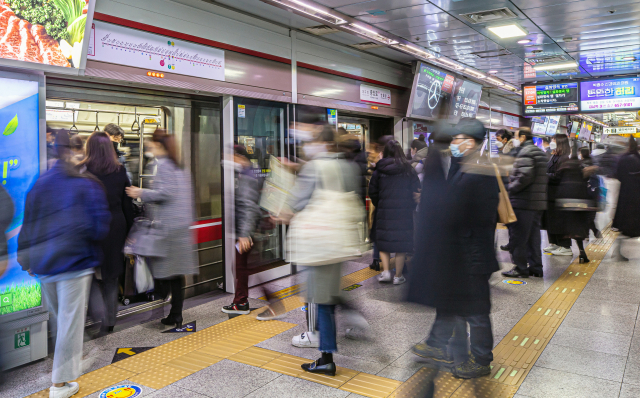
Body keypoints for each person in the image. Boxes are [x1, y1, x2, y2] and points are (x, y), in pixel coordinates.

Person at [18, 131, 111, 398]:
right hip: (74, 263)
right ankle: (59, 383)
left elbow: (28, 223)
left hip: (44, 265)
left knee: (61, 321)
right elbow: (98, 226)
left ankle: (65, 371)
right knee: (69, 323)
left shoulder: (40, 182)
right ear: (74, 151)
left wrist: (26, 259)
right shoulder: (85, 183)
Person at [409, 118, 499, 379]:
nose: (453, 144)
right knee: (450, 302)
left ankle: (481, 360)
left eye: (458, 139)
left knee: (477, 310)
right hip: (463, 250)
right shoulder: (466, 167)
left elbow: (464, 211)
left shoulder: (477, 172)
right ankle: (437, 344)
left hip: (473, 253)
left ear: (470, 142)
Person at [283, 124, 362, 376]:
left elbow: (296, 201)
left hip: (318, 242)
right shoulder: (347, 166)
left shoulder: (315, 167)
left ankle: (326, 356)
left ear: (322, 143)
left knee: (322, 299)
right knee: (329, 293)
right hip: (338, 240)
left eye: (312, 141)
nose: (308, 145)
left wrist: (283, 207)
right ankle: (353, 318)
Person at [126, 129, 197, 327]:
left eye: (151, 146)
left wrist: (140, 192)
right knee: (175, 275)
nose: (150, 149)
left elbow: (166, 193)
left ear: (160, 146)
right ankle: (175, 314)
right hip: (180, 228)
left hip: (170, 230)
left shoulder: (165, 166)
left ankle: (173, 313)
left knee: (166, 272)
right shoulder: (180, 166)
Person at [79, 132, 134, 334]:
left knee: (90, 274)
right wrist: (129, 231)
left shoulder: (82, 170)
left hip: (89, 227)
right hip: (115, 227)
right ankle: (109, 321)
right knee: (111, 276)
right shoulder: (119, 170)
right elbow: (128, 204)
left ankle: (94, 314)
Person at [368, 140, 420, 285]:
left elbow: (372, 191)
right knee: (401, 244)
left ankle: (385, 273)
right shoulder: (408, 169)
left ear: (385, 153)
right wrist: (408, 205)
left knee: (384, 243)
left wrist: (381, 204)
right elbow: (416, 190)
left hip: (384, 212)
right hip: (403, 212)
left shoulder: (379, 170)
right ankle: (398, 276)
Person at [502, 127, 548, 278]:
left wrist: (510, 189)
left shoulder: (526, 152)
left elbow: (524, 176)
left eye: (516, 136)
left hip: (524, 202)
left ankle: (520, 268)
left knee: (519, 237)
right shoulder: (540, 152)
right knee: (534, 237)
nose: (514, 140)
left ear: (522, 137)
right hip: (537, 202)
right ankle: (536, 267)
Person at [221, 145, 261, 316]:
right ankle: (241, 301)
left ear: (239, 157)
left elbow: (248, 207)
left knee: (242, 268)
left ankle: (241, 302)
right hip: (248, 231)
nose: (229, 161)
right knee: (243, 267)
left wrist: (244, 234)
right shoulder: (247, 174)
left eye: (231, 157)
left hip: (247, 233)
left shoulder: (247, 177)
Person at [553, 141, 592, 263]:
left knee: (566, 224)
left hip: (566, 199)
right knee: (578, 226)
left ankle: (563, 246)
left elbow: (556, 178)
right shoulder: (581, 166)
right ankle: (581, 252)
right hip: (580, 199)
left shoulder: (565, 165)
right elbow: (587, 179)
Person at [611, 137, 640, 261]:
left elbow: (617, 175)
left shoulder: (623, 158)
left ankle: (617, 251)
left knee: (624, 224)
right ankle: (617, 252)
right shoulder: (637, 158)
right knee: (632, 224)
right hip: (636, 195)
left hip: (625, 195)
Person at [544, 134, 573, 256]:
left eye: (554, 141)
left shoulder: (564, 158)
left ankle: (565, 246)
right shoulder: (554, 156)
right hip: (551, 194)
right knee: (551, 221)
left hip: (559, 194)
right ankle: (555, 243)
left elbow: (559, 176)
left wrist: (544, 175)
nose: (551, 143)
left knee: (560, 221)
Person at [580, 147, 601, 239]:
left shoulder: (581, 166)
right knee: (590, 217)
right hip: (594, 195)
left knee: (585, 217)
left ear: (581, 154)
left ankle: (592, 233)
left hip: (585, 195)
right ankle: (591, 233)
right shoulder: (594, 164)